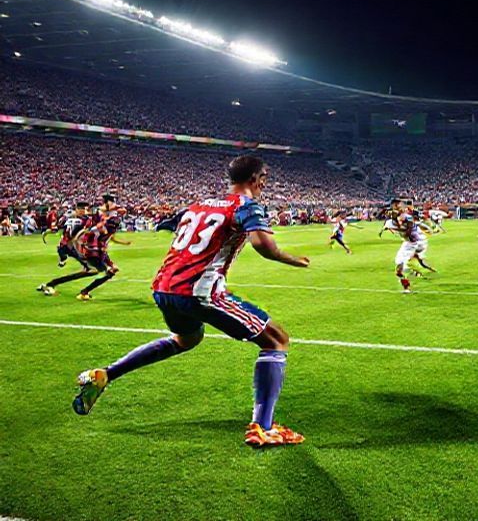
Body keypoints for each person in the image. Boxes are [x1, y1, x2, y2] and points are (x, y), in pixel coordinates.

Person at [71, 156, 310, 448]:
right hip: (199, 291)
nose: (265, 183)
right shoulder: (246, 206)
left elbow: (170, 225)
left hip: (163, 287)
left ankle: (105, 375)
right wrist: (293, 259)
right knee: (276, 340)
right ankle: (263, 427)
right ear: (256, 178)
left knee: (187, 338)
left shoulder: (199, 205)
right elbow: (264, 245)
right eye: (265, 177)